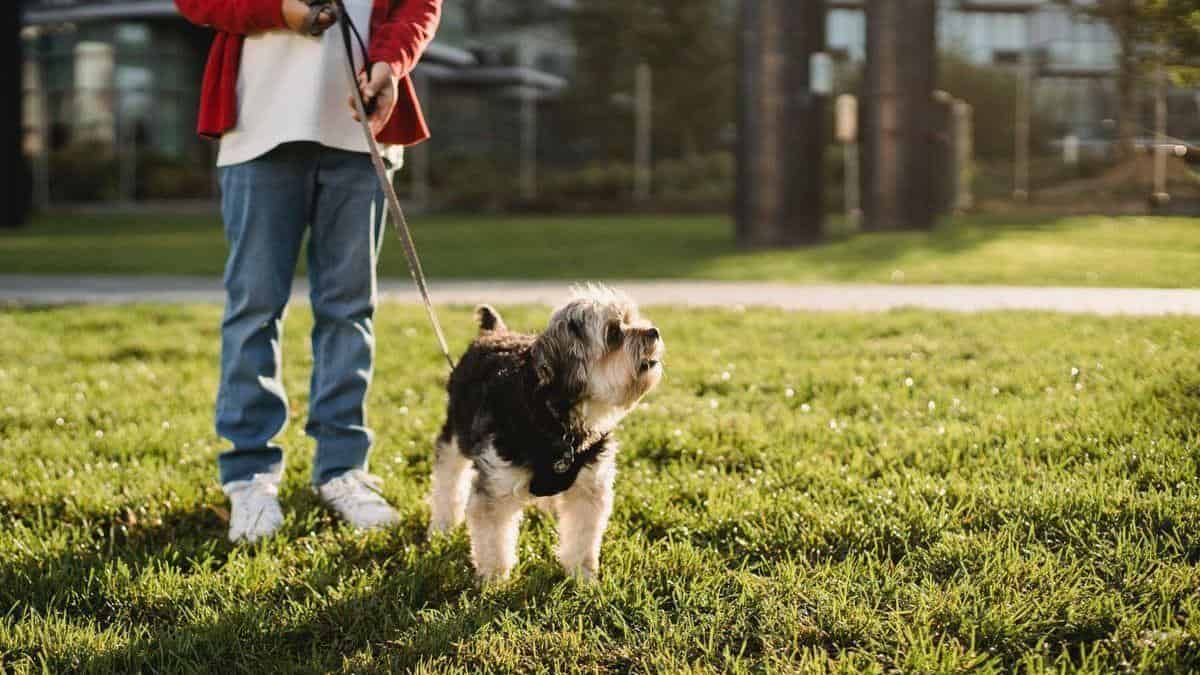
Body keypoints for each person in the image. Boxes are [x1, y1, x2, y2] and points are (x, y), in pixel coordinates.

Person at [175, 0, 442, 543]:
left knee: (349, 309)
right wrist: (280, 11)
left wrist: (391, 64)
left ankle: (342, 469)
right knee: (255, 306)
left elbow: (419, 4)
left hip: (359, 132)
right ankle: (249, 476)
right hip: (260, 126)